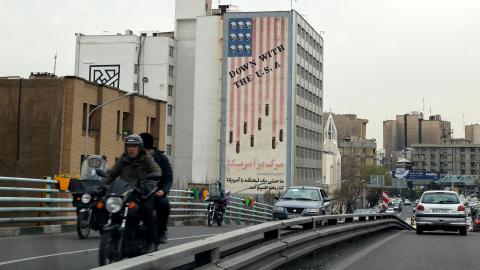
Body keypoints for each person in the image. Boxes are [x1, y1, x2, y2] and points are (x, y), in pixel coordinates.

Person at [104, 134, 162, 253]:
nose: (131, 149)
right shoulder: (123, 159)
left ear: (139, 147)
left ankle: (151, 240)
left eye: (134, 146)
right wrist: (102, 185)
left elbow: (157, 170)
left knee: (147, 210)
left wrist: (151, 180)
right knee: (110, 208)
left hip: (142, 193)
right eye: (129, 146)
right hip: (124, 193)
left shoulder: (146, 159)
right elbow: (111, 173)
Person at [139, 132, 172, 244]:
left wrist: (163, 190)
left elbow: (168, 177)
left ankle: (161, 231)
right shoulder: (135, 157)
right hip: (137, 191)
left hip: (155, 192)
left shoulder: (162, 158)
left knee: (164, 204)